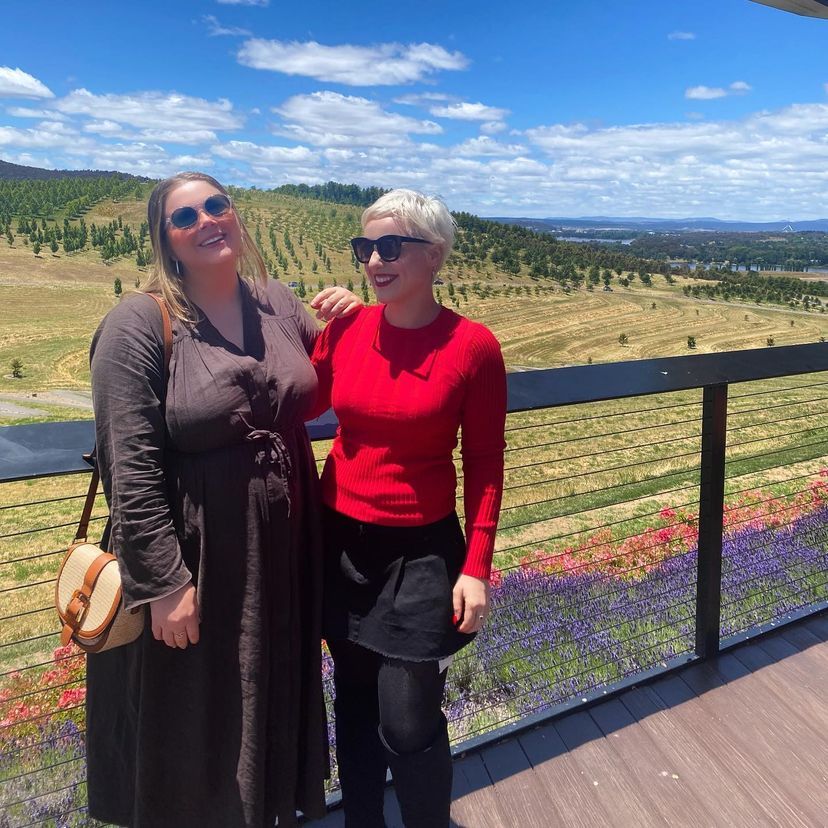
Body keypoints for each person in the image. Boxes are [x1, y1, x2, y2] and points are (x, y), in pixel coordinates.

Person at [86, 171, 360, 828]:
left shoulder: (277, 302)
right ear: (166, 240)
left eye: (217, 205)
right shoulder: (138, 322)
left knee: (266, 689)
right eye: (186, 217)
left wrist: (357, 319)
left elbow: (337, 373)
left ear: (235, 215)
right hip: (196, 554)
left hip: (280, 547)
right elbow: (129, 463)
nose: (207, 220)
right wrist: (163, 584)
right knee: (191, 717)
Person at [310, 189, 507, 827]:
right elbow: (304, 403)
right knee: (354, 703)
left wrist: (476, 567)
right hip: (342, 542)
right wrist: (318, 332)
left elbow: (484, 462)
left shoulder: (473, 346)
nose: (374, 261)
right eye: (365, 247)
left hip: (421, 554)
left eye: (391, 246)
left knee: (407, 717)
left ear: (435, 254)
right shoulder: (349, 330)